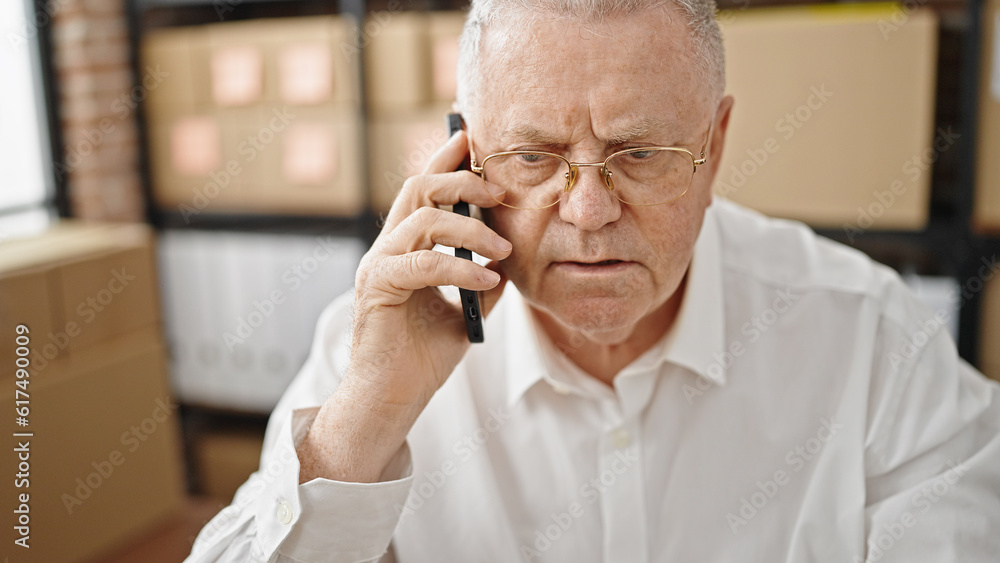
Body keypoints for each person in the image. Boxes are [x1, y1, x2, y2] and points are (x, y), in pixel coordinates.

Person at [186, 0, 1000, 561]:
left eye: (640, 154)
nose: (587, 210)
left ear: (713, 147)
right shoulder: (374, 346)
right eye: (534, 156)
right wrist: (366, 419)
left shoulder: (872, 341)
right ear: (465, 155)